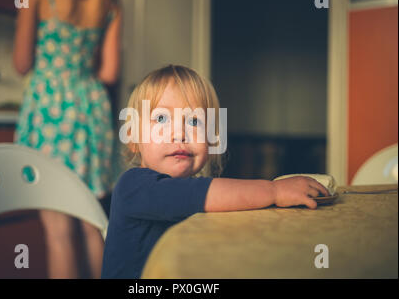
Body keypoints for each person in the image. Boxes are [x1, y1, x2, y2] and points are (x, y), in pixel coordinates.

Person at [101, 65, 330, 279]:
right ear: (133, 138)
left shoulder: (197, 186)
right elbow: (205, 194)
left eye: (194, 121)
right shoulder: (134, 186)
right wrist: (274, 190)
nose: (180, 133)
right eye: (161, 118)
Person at [13, 0, 121, 278]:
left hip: (51, 111)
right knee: (92, 224)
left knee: (58, 232)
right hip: (91, 110)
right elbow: (109, 73)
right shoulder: (109, 0)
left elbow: (21, 62)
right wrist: (81, 74)